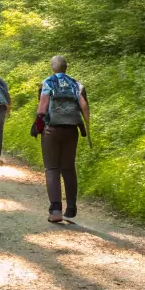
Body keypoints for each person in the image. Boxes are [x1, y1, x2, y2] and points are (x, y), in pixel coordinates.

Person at [36, 54, 88, 223]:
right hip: (72, 129)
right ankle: (71, 207)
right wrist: (85, 127)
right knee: (68, 168)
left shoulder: (48, 82)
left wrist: (38, 125)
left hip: (52, 130)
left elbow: (43, 106)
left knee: (52, 169)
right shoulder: (76, 84)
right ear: (66, 67)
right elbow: (84, 107)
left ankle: (56, 210)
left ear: (53, 67)